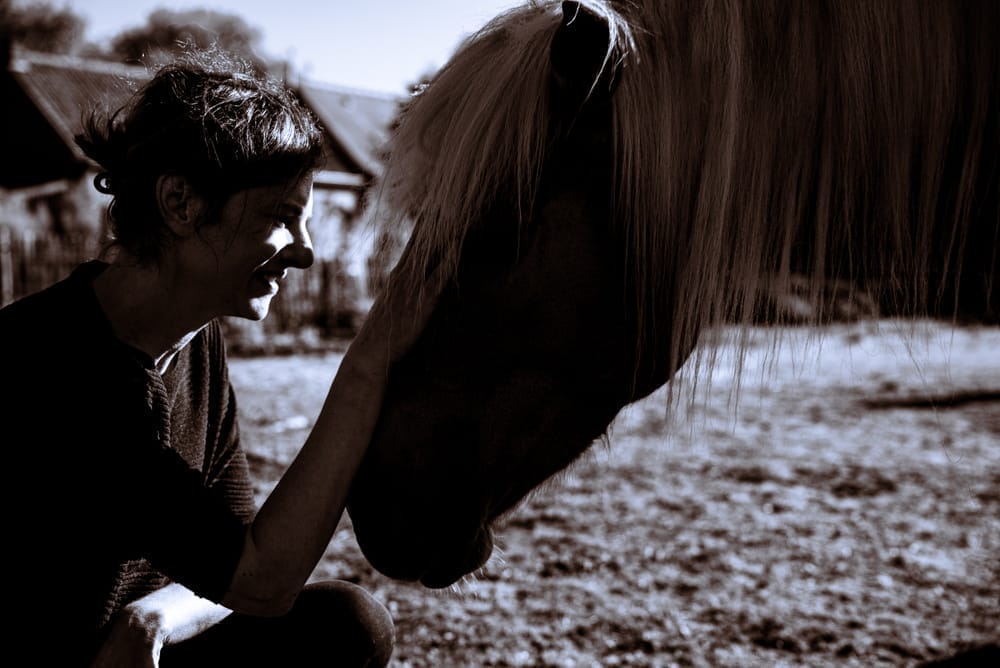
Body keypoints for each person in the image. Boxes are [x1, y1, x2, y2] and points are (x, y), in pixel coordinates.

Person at [0, 47, 444, 667]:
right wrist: (368, 364)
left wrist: (154, 615)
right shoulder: (55, 367)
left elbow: (239, 548)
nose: (305, 253)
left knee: (347, 623)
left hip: (131, 654)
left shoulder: (195, 339)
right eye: (283, 218)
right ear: (180, 203)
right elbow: (260, 580)